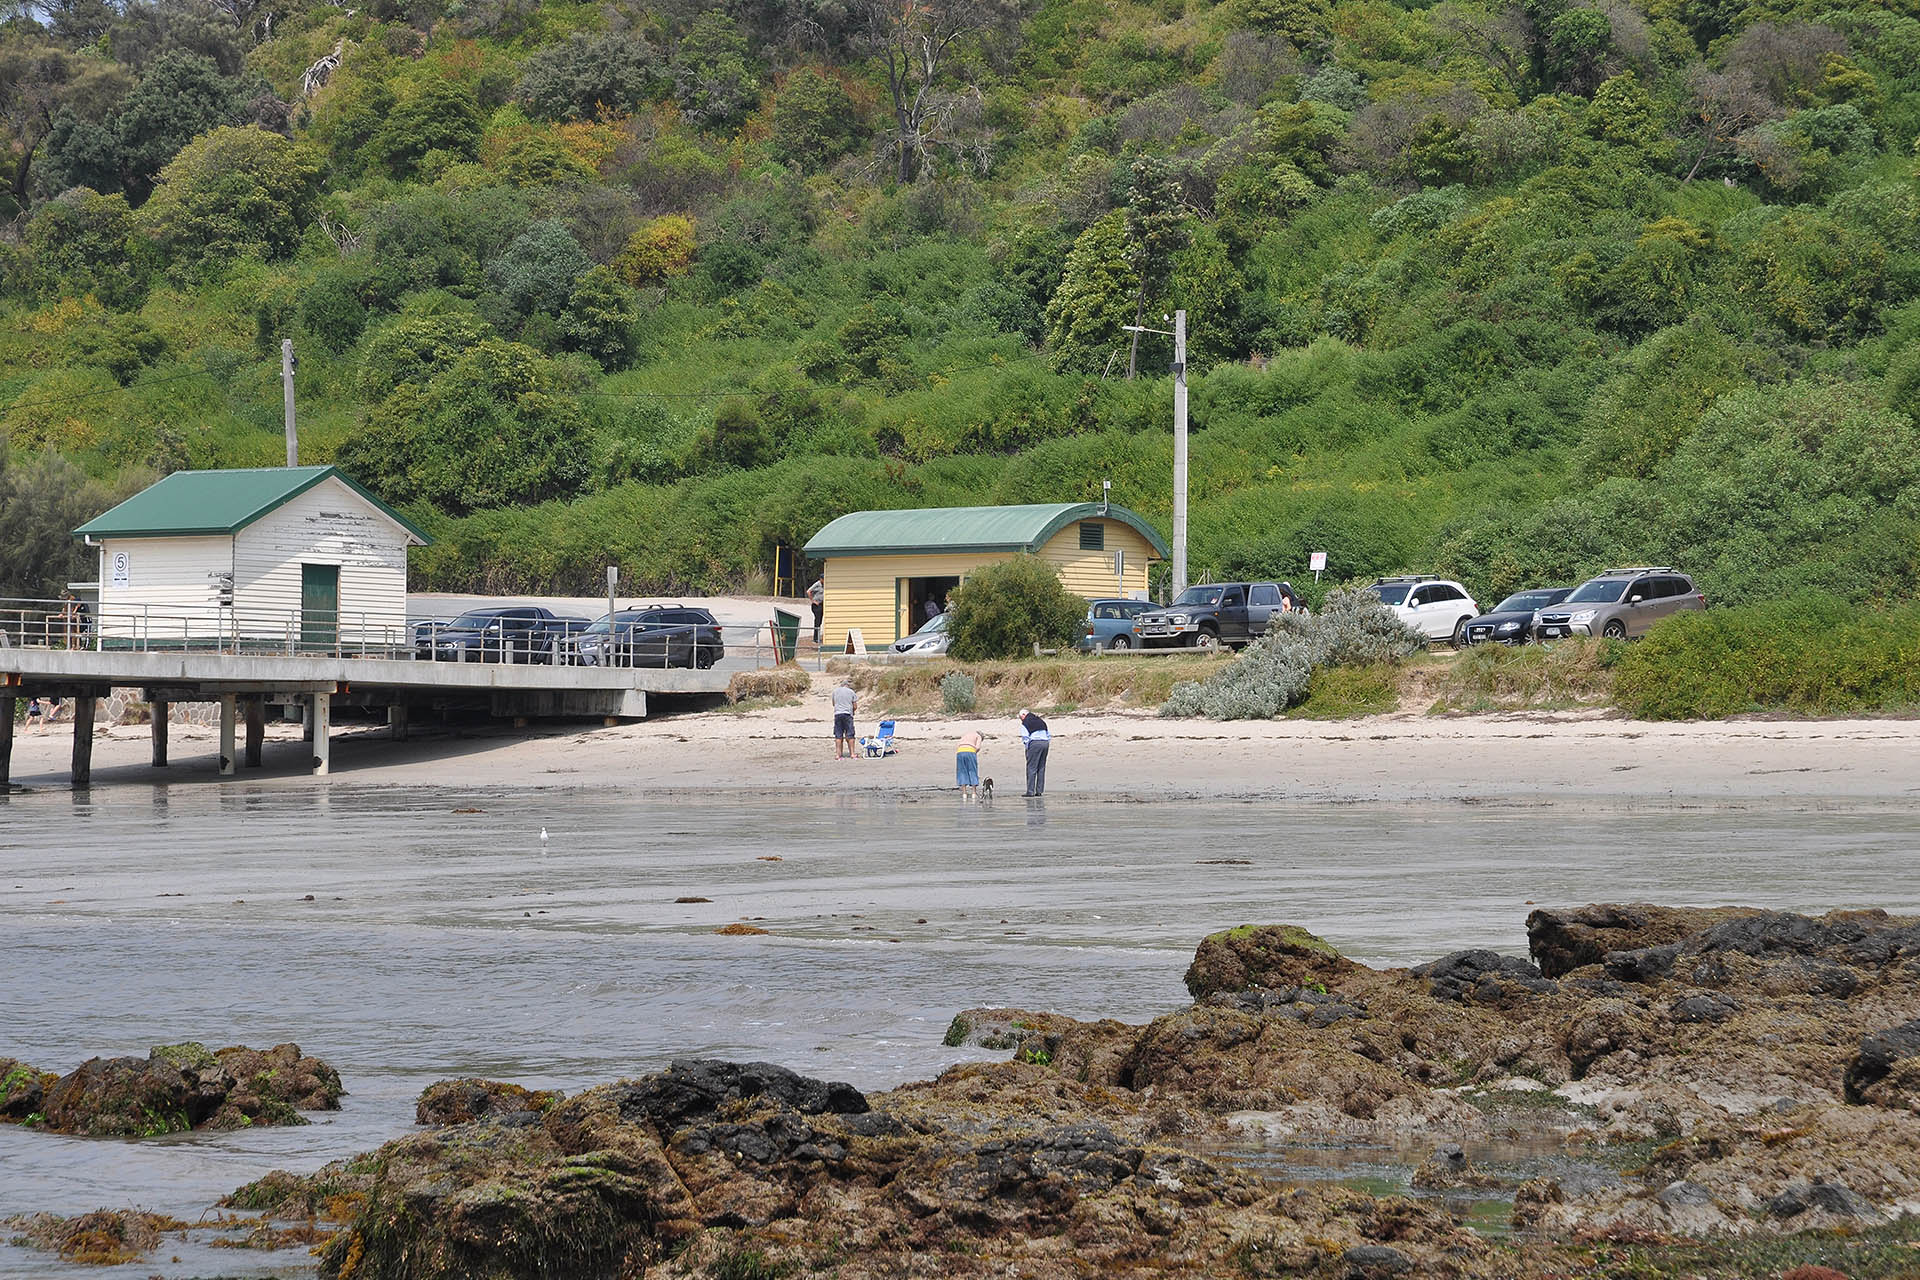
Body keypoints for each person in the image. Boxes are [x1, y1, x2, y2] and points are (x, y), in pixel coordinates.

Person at [1017, 709, 1050, 796]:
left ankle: (1030, 791)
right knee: (1041, 767)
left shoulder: (1025, 723)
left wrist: (1027, 748)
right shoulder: (1041, 721)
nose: (1021, 720)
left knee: (1031, 767)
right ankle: (1039, 791)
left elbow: (1025, 737)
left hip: (1035, 743)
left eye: (1021, 718)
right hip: (1045, 743)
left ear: (1024, 715)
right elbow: (1048, 735)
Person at [831, 677, 859, 760]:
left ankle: (838, 755)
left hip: (838, 714)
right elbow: (855, 706)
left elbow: (833, 703)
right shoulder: (851, 692)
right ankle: (852, 754)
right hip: (847, 714)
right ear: (848, 685)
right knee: (850, 735)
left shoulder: (835, 691)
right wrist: (853, 711)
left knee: (838, 735)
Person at [955, 729, 982, 801]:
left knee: (962, 771)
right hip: (970, 751)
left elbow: (958, 745)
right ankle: (974, 793)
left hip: (960, 752)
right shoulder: (978, 736)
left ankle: (964, 793)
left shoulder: (965, 735)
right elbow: (978, 747)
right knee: (972, 770)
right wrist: (974, 753)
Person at [807, 579, 825, 646]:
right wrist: (813, 601)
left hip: (821, 604)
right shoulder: (817, 584)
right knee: (817, 621)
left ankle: (817, 637)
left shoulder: (824, 585)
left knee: (820, 621)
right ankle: (815, 638)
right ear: (821, 579)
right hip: (816, 605)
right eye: (823, 579)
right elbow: (808, 591)